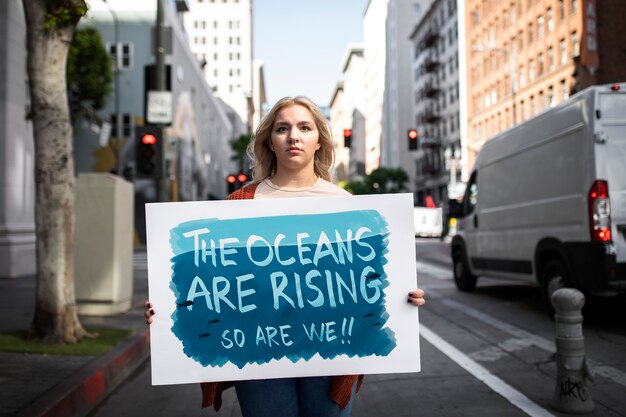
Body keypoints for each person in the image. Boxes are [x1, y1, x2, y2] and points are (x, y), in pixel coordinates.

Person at [144, 96, 426, 417]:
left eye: (304, 127)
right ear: (270, 141)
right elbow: (209, 283)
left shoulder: (347, 205)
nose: (294, 136)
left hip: (330, 350)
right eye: (283, 128)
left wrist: (403, 296)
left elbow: (369, 281)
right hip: (260, 351)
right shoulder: (240, 203)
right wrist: (167, 307)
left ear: (319, 140)